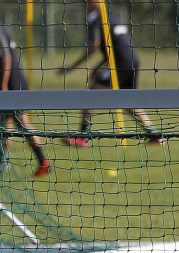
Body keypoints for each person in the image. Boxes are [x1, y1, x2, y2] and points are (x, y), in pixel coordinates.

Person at [56, 0, 164, 147]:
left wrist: (71, 68)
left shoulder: (96, 17)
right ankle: (155, 135)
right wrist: (99, 66)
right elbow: (113, 47)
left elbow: (94, 45)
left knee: (91, 94)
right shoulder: (112, 15)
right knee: (128, 100)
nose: (83, 4)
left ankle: (82, 136)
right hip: (132, 60)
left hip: (119, 64)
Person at [0, 1, 50, 179]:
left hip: (12, 83)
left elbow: (6, 57)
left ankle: (43, 162)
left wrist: (3, 84)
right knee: (4, 123)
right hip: (12, 81)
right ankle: (2, 164)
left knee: (21, 122)